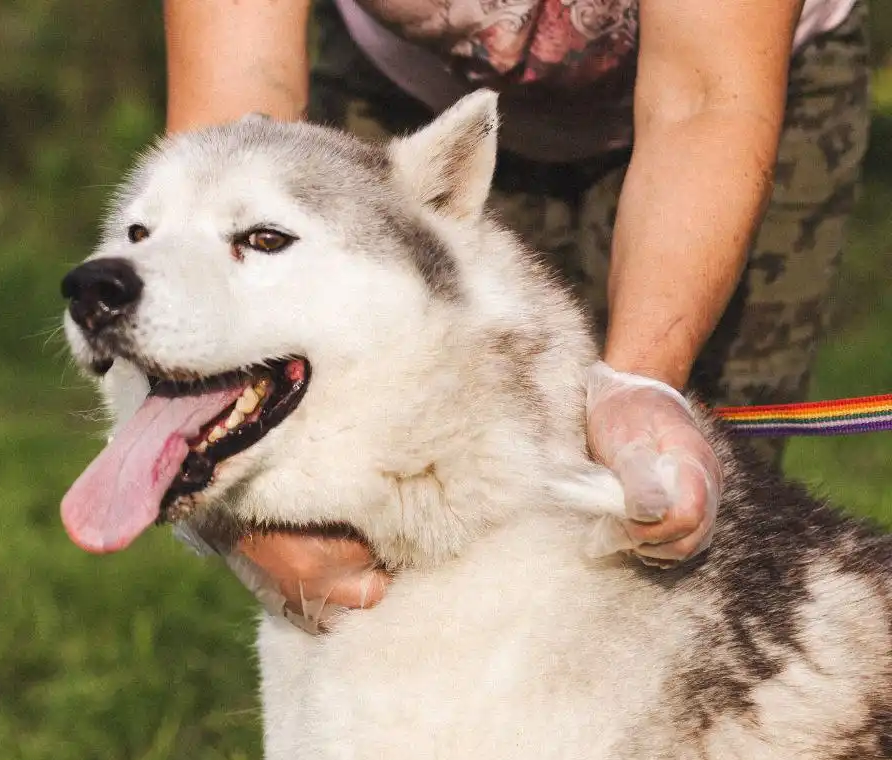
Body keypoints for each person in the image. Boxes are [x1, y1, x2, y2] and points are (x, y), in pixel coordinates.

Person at [163, 0, 871, 616]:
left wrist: (644, 385)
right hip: (412, 105)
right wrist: (224, 481)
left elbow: (704, 96)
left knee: (694, 536)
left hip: (727, 86)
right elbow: (223, 141)